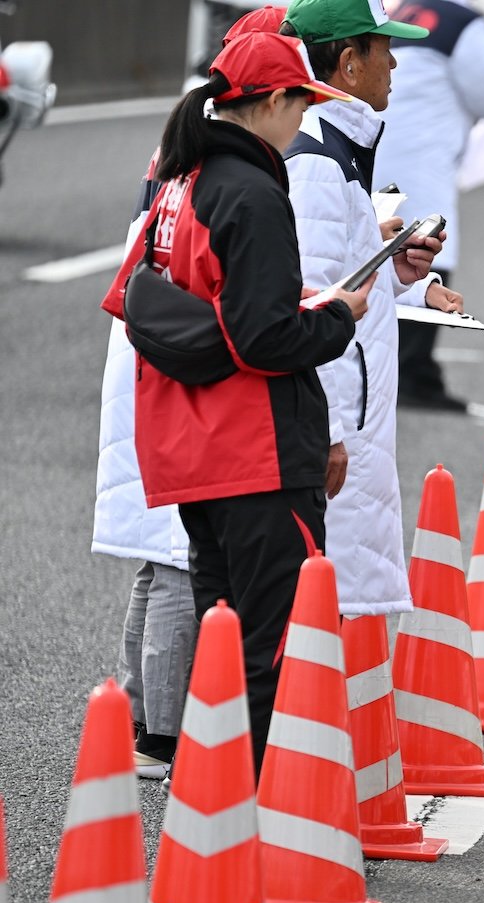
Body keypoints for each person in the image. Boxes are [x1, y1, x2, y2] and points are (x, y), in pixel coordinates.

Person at [99, 31, 373, 774]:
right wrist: (340, 313)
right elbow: (264, 336)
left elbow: (146, 296)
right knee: (274, 646)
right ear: (274, 101)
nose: (301, 123)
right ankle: (259, 823)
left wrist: (279, 313)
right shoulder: (251, 191)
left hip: (193, 452)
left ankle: (210, 817)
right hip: (256, 450)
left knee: (224, 644)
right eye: (300, 105)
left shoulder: (180, 178)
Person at [95, 1, 292, 785]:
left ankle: (147, 719)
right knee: (183, 565)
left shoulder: (192, 137)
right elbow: (257, 323)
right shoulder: (232, 169)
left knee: (163, 556)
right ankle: (169, 734)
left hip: (157, 361)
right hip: (193, 377)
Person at [279, 0, 448, 629]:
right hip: (333, 433)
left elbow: (337, 275)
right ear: (349, 64)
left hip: (344, 428)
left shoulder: (333, 147)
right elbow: (308, 308)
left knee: (336, 605)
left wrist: (399, 278)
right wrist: (325, 435)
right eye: (383, 49)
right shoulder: (319, 162)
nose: (396, 60)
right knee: (322, 614)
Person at [376, 0, 484, 411]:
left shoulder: (399, 14)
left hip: (374, 146)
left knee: (378, 250)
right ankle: (413, 372)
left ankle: (394, 366)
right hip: (422, 157)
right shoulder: (463, 23)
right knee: (429, 246)